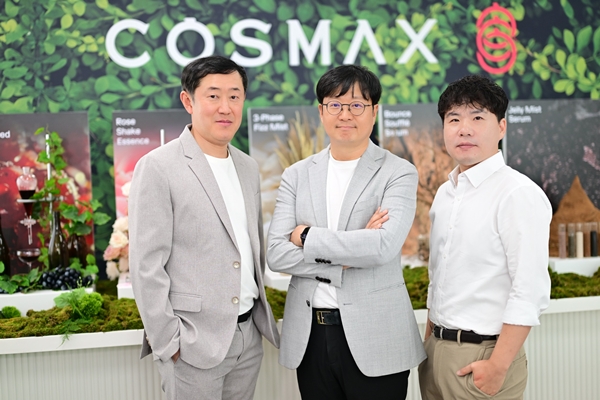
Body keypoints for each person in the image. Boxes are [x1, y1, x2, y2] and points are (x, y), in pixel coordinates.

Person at [266, 65, 426, 400]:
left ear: (374, 111)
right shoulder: (297, 174)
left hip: (377, 336)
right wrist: (347, 258)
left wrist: (306, 236)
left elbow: (381, 247)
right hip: (311, 336)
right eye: (335, 105)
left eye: (356, 105)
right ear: (321, 111)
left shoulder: (398, 172)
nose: (345, 114)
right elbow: (277, 254)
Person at [128, 55, 279, 400]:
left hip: (248, 338)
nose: (225, 107)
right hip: (192, 344)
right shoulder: (158, 167)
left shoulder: (248, 167)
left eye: (234, 96)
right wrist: (169, 342)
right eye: (213, 95)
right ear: (188, 100)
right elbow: (146, 265)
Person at [418, 75, 552, 400]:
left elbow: (529, 289)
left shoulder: (517, 193)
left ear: (502, 127)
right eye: (454, 119)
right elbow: (438, 277)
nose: (464, 129)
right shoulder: (445, 194)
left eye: (477, 118)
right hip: (436, 353)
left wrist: (498, 366)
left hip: (484, 356)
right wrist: (429, 340)